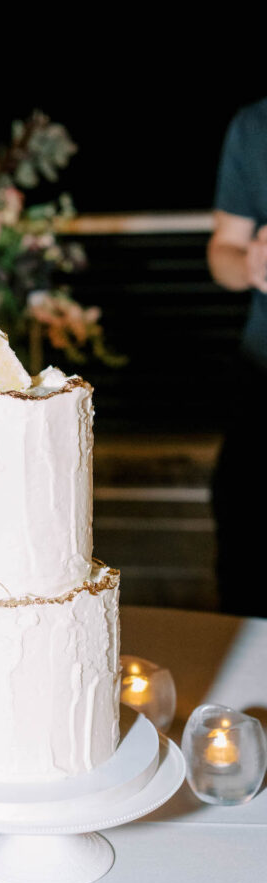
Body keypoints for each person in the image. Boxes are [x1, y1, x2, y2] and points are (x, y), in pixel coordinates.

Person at [207, 98, 267, 617]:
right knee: (245, 542)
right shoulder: (253, 126)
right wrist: (251, 262)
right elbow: (223, 251)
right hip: (262, 370)